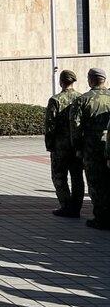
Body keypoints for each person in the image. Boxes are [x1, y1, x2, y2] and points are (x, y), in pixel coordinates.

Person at [71, 68, 110, 229]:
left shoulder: (83, 100)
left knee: (95, 183)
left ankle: (101, 218)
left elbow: (75, 126)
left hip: (91, 148)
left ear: (91, 80)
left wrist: (77, 147)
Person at [46, 70, 83, 218]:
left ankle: (66, 205)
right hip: (77, 145)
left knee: (59, 176)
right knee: (77, 176)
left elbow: (50, 125)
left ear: (61, 82)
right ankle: (76, 207)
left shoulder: (55, 100)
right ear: (73, 81)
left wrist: (49, 144)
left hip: (60, 146)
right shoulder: (81, 98)